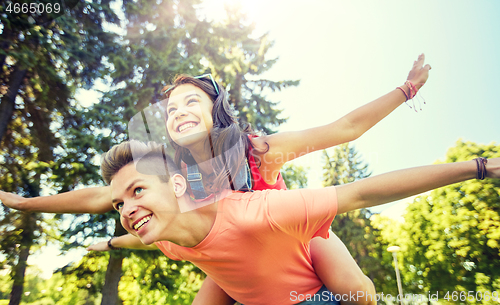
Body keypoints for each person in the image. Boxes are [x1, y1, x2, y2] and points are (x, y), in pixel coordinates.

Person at [0, 54, 431, 304]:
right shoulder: (170, 174)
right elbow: (106, 198)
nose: (180, 111)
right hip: (238, 258)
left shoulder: (257, 150)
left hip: (293, 236)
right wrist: (23, 203)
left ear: (214, 111)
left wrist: (406, 90)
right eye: (171, 110)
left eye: (192, 102)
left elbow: (345, 129)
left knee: (359, 291)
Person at [89, 140, 499, 305]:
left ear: (179, 185)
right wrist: (107, 244)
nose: (126, 210)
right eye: (118, 204)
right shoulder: (164, 235)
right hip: (251, 290)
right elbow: (136, 241)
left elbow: (362, 192)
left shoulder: (256, 211)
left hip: (313, 297)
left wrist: (479, 167)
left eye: (138, 191)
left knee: (361, 295)